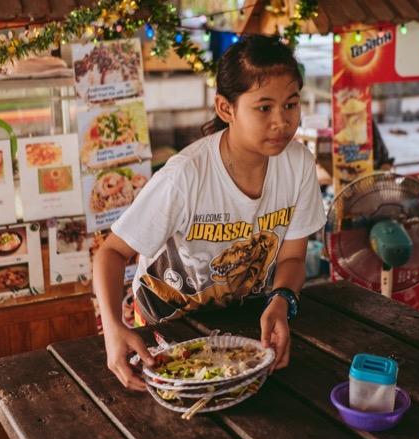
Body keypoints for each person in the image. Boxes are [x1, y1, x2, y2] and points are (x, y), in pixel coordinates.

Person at [93, 34, 327, 391]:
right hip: (165, 324)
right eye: (264, 108)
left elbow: (293, 257)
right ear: (226, 109)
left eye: (291, 105)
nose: (282, 121)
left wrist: (282, 300)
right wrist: (113, 328)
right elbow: (112, 253)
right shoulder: (185, 176)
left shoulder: (298, 166)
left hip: (243, 321)